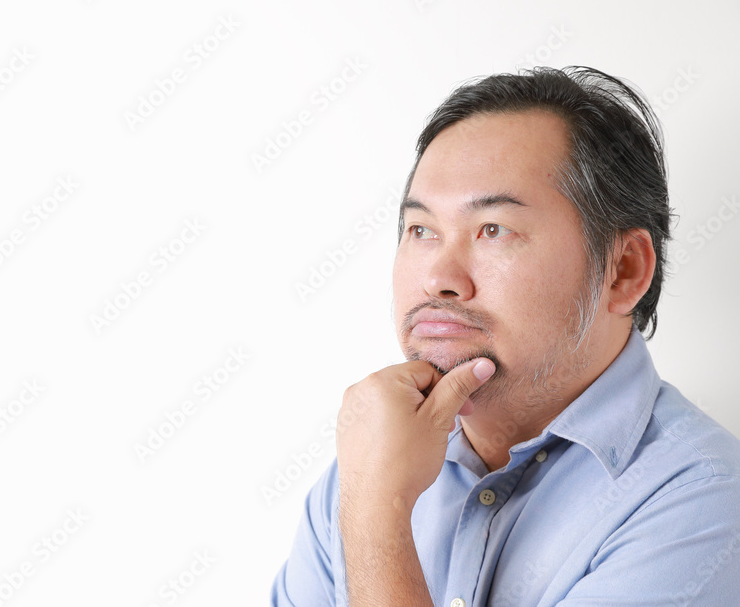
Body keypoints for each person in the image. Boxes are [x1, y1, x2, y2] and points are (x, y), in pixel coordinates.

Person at [271, 66, 740, 606]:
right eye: (421, 230)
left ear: (624, 270)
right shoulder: (368, 464)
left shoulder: (703, 502)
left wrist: (377, 512)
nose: (438, 279)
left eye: (492, 230)